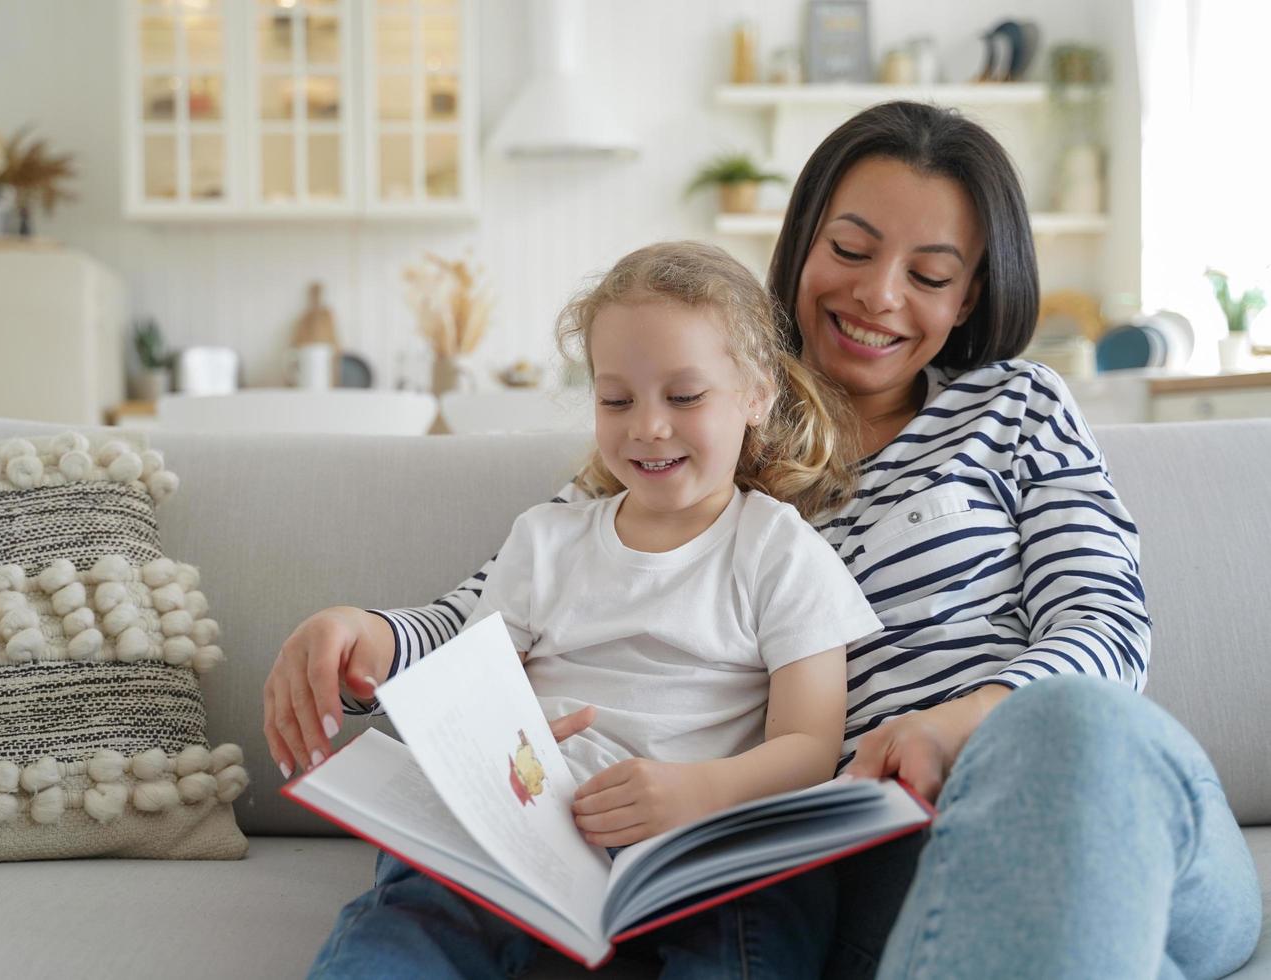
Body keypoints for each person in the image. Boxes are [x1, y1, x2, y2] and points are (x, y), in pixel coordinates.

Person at [267, 102, 1261, 979]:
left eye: (930, 273)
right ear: (802, 244)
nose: (879, 294)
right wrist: (370, 630)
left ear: (967, 298)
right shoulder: (699, 436)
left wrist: (960, 723)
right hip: (888, 865)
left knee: (1073, 729)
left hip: (1088, 793)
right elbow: (496, 607)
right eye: (854, 247)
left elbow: (1107, 625)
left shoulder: (1016, 405)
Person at [307, 241, 884, 977]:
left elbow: (809, 747)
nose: (647, 426)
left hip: (696, 844)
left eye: (684, 396)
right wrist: (503, 747)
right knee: (412, 918)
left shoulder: (779, 550)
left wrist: (694, 793)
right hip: (536, 830)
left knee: (764, 913)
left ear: (756, 396)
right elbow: (477, 698)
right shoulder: (546, 540)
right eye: (617, 400)